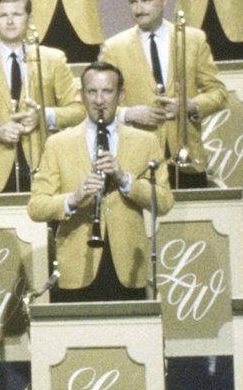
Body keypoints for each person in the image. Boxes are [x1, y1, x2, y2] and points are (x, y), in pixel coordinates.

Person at [29, 62, 174, 301]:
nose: (99, 100)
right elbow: (36, 207)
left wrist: (125, 179)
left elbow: (165, 202)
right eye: (92, 92)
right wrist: (73, 199)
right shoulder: (58, 144)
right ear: (81, 96)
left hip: (128, 267)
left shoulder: (146, 142)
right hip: (76, 266)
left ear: (121, 95)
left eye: (107, 92)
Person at [98, 0, 228, 186]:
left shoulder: (193, 39)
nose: (139, 9)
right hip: (136, 163)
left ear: (163, 1)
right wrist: (129, 114)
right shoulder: (114, 48)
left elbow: (219, 93)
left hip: (187, 161)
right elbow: (98, 104)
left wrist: (190, 106)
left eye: (146, 1)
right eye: (133, 2)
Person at [0, 0, 84, 195]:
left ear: (30, 18)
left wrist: (43, 116)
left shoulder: (53, 59)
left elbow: (78, 111)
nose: (9, 21)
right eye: (3, 15)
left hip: (45, 166)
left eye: (16, 14)